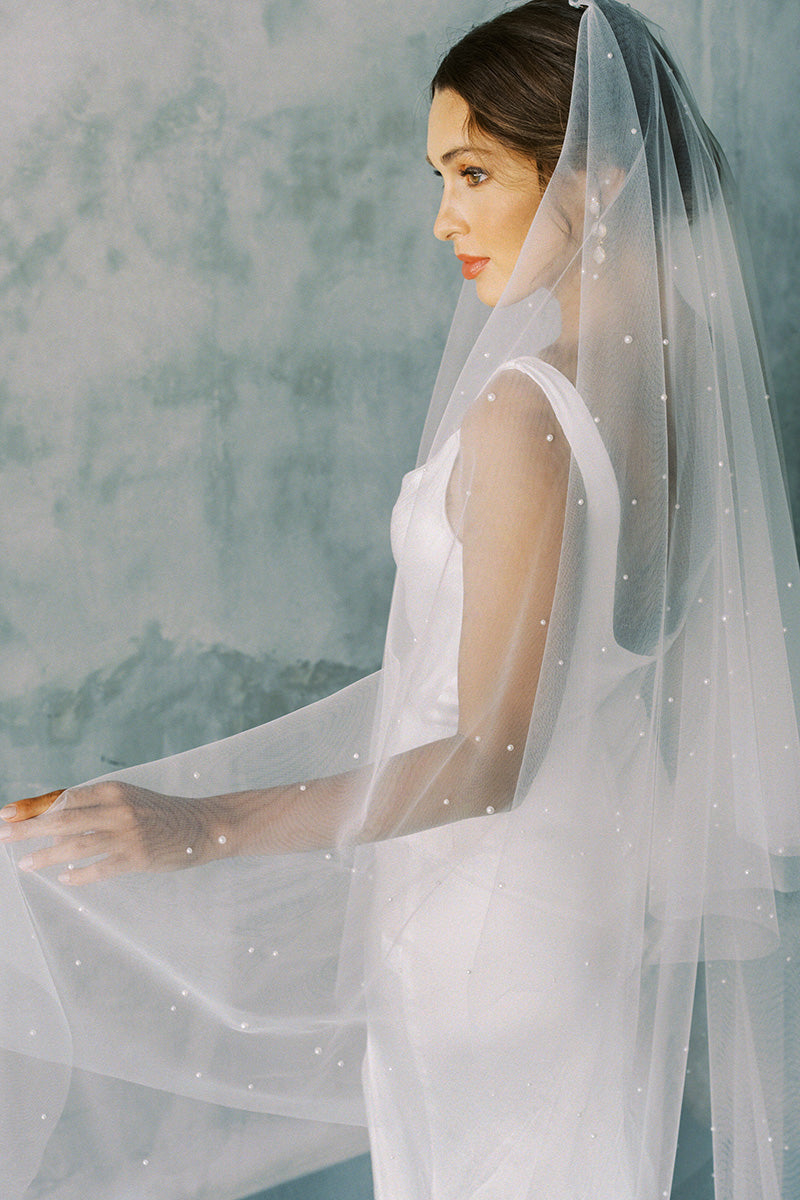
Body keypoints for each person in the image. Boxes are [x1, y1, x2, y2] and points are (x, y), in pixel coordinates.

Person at [1, 0, 798, 1197]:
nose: (442, 220)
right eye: (440, 178)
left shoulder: (530, 412)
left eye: (473, 172)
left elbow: (488, 755)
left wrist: (194, 825)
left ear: (597, 178)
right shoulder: (688, 380)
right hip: (591, 898)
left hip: (492, 921)